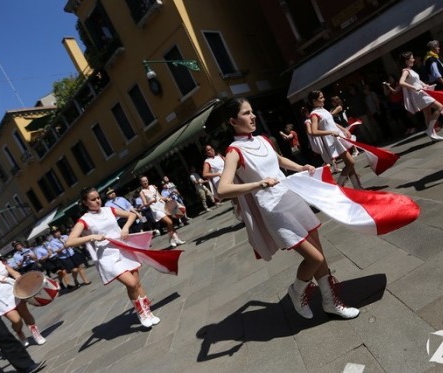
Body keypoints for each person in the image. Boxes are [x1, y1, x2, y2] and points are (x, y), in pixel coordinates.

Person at [217, 97, 359, 320]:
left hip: (291, 198)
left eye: (252, 111)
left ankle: (331, 302)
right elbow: (222, 189)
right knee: (314, 258)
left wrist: (300, 166)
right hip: (273, 209)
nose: (253, 116)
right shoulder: (234, 151)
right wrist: (258, 184)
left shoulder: (263, 140)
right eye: (246, 113)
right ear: (233, 121)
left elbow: (279, 160)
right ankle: (297, 290)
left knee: (320, 253)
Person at [64, 187, 161, 328]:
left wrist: (126, 227)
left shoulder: (109, 210)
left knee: (137, 284)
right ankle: (141, 313)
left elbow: (131, 215)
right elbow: (69, 242)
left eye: (98, 197)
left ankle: (147, 312)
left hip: (124, 249)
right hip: (107, 256)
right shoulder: (84, 220)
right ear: (85, 202)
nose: (97, 201)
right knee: (132, 283)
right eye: (93, 199)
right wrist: (91, 236)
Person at [308, 90, 364, 188]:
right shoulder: (314, 114)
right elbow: (313, 131)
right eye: (321, 98)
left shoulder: (323, 110)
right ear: (314, 101)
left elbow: (332, 123)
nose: (323, 99)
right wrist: (330, 132)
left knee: (349, 163)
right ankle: (339, 186)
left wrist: (344, 130)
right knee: (351, 162)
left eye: (323, 97)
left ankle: (357, 187)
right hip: (333, 141)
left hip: (338, 138)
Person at [0, 246, 47, 346]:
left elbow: (13, 272)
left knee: (25, 313)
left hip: (13, 291)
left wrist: (18, 277)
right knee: (16, 320)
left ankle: (36, 334)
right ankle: (19, 332)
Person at [399, 51, 443, 142]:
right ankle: (430, 130)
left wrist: (425, 85)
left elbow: (417, 81)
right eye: (412, 58)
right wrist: (414, 88)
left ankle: (433, 135)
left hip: (421, 93)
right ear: (406, 61)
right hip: (419, 94)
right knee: (439, 107)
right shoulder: (405, 71)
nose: (413, 59)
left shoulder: (410, 70)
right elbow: (401, 82)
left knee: (427, 115)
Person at [139, 176, 185, 248]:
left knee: (170, 224)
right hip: (155, 210)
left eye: (146, 180)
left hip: (162, 206)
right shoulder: (142, 192)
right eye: (143, 181)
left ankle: (176, 239)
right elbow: (145, 204)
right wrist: (150, 202)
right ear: (141, 183)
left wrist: (166, 198)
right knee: (169, 222)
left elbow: (160, 197)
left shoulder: (153, 186)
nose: (145, 182)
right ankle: (171, 239)